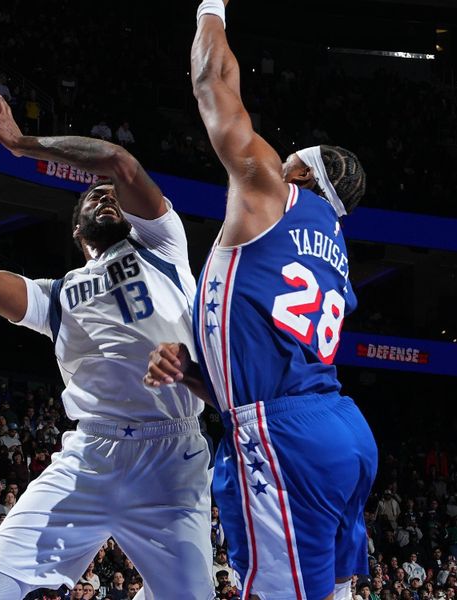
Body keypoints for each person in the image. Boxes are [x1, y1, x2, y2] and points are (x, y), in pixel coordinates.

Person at [0, 81, 213, 600]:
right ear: (78, 234)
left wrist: (20, 143)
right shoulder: (56, 297)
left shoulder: (162, 244)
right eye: (93, 197)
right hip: (88, 458)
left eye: (110, 195)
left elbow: (118, 162)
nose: (106, 196)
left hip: (171, 458)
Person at [144, 2, 377, 599]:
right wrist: (201, 380)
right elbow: (274, 362)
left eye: (288, 157)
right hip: (341, 432)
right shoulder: (335, 251)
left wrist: (210, 8)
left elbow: (211, 82)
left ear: (294, 175)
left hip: (284, 439)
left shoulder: (270, 190)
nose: (275, 156)